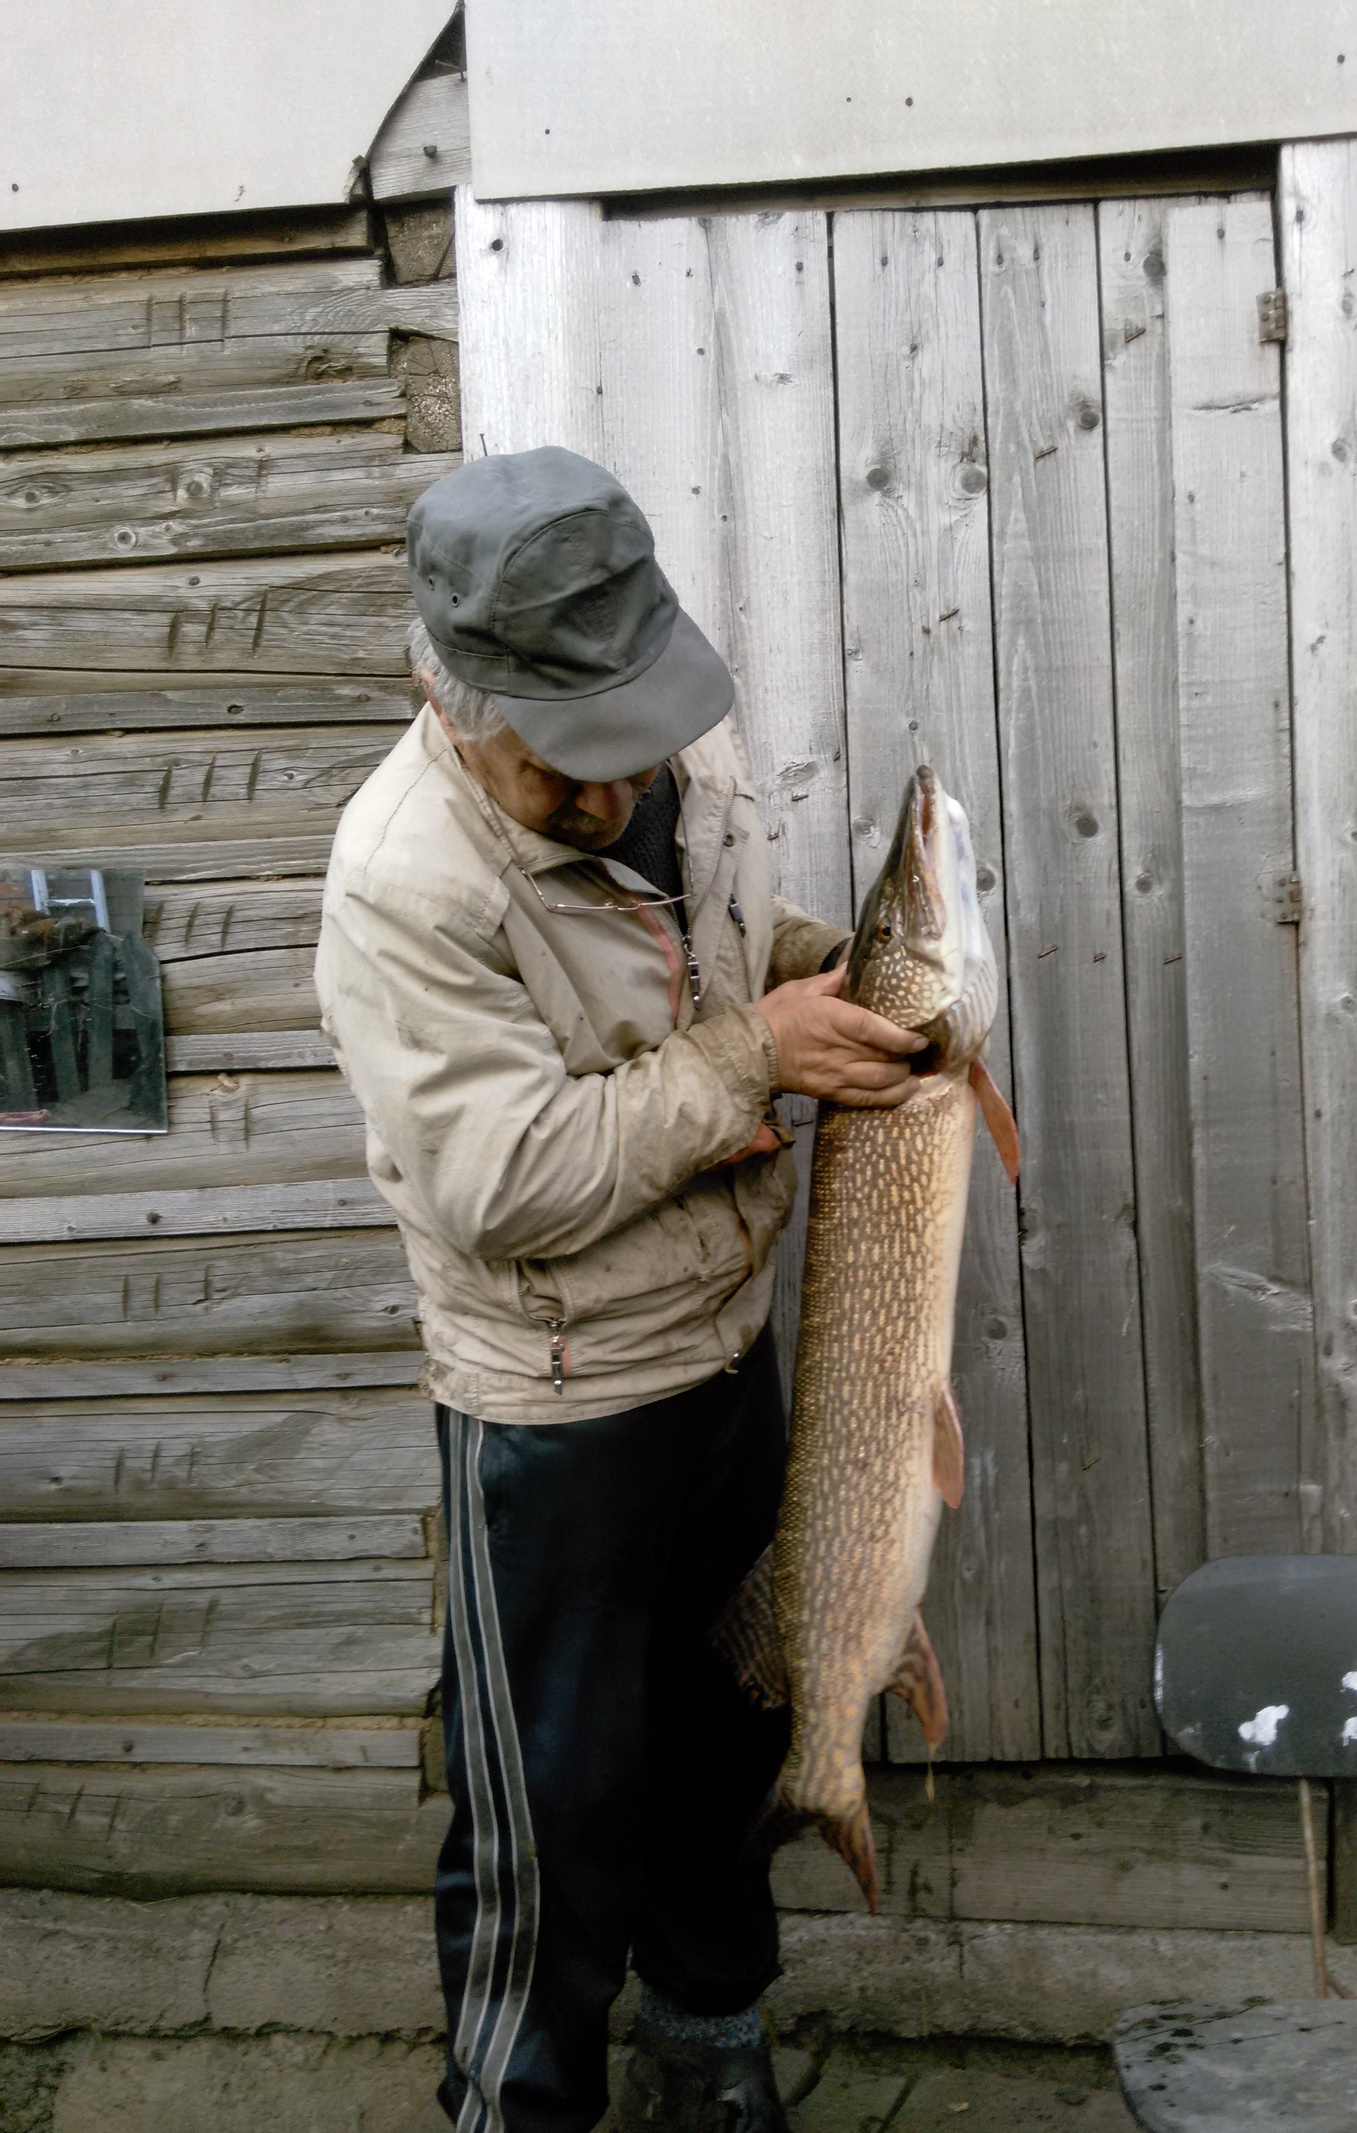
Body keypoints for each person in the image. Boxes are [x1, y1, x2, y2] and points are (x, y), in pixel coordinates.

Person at [314, 448, 925, 2133]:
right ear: (454, 696)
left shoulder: (666, 731)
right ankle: (520, 2111)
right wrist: (753, 1058)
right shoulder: (401, 882)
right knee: (554, 1820)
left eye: (632, 738)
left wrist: (816, 970)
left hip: (725, 1356)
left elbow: (713, 935)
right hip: (558, 1406)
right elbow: (498, 1180)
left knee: (733, 1736)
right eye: (565, 762)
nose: (618, 787)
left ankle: (713, 2054)